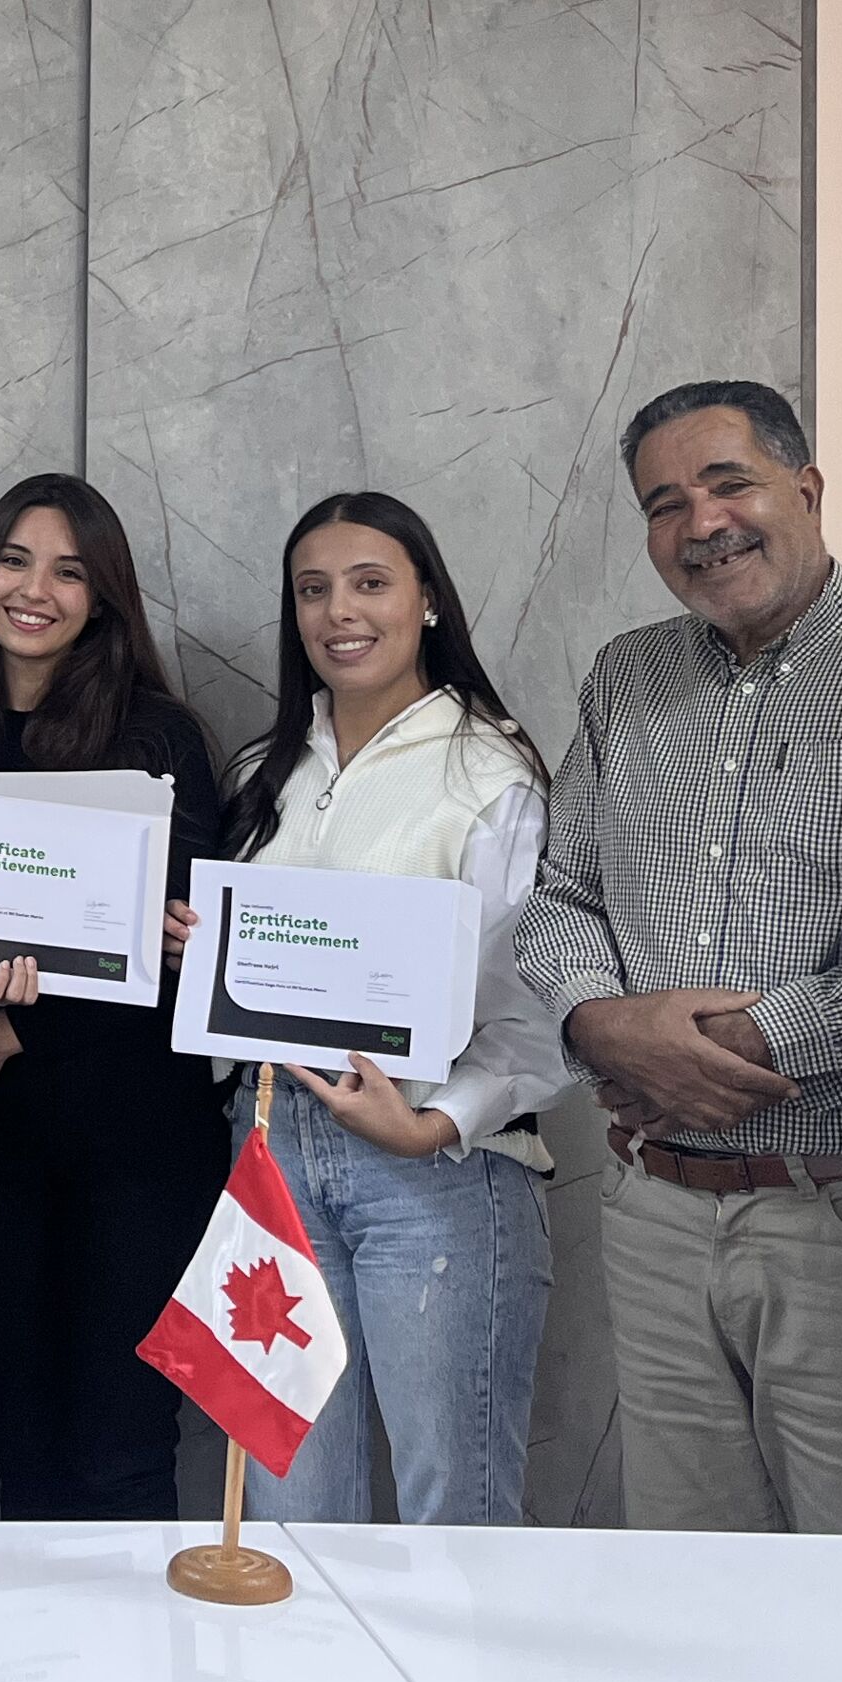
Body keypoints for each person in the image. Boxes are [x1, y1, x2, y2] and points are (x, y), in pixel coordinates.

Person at [512, 379, 842, 1541]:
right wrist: (596, 1026)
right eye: (665, 504)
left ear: (807, 488)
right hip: (652, 1207)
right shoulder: (628, 676)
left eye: (730, 484)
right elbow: (562, 894)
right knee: (694, 1585)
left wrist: (767, 1040)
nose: (701, 524)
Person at [219, 493, 560, 1525]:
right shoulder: (261, 771)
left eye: (370, 583)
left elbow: (535, 1008)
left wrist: (429, 1123)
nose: (339, 612)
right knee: (281, 1509)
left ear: (427, 604)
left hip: (434, 1177)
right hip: (273, 1153)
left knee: (449, 1506)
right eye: (313, 590)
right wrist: (209, 955)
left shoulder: (489, 775)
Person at [0, 473, 231, 1520]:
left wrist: (11, 1021)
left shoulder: (158, 739)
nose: (36, 590)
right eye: (15, 560)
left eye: (69, 571)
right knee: (20, 1430)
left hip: (136, 1138)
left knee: (123, 1442)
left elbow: (175, 945)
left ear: (104, 598)